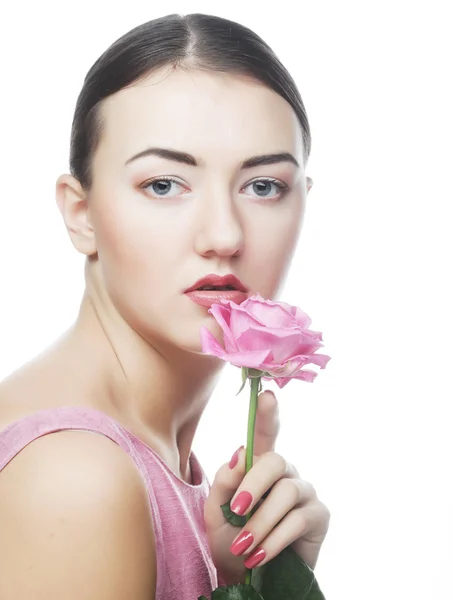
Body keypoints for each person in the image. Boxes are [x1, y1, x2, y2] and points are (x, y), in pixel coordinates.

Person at [0, 12, 330, 599]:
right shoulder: (75, 478)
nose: (224, 235)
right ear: (81, 213)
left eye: (263, 186)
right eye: (164, 184)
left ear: (305, 200)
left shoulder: (147, 461)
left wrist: (253, 579)